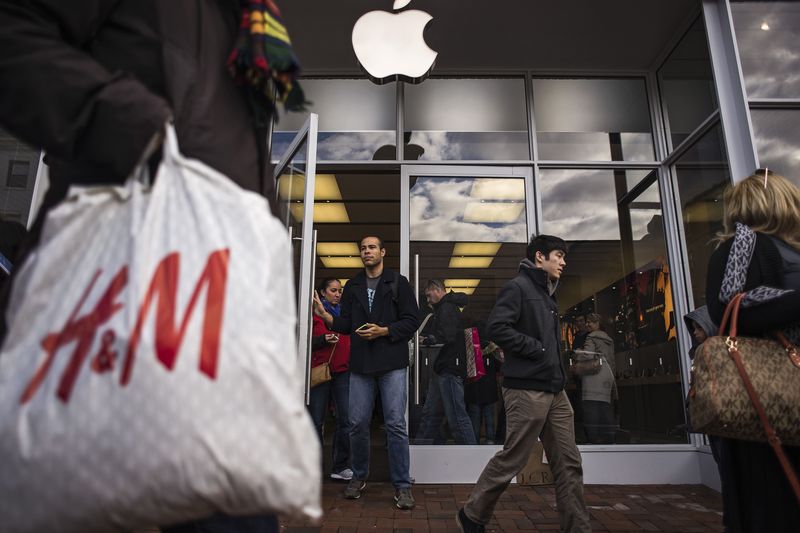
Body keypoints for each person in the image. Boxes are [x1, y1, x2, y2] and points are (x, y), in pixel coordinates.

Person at [0, 2, 305, 531]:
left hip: (217, 298)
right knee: (79, 483)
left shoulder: (251, 17)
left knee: (234, 509)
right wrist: (113, 115)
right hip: (120, 274)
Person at [0, 0, 306, 344]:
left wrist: (268, 238)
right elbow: (13, 31)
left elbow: (234, 152)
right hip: (106, 280)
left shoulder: (250, 25)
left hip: (212, 299)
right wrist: (129, 125)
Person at [457, 234, 591, 533]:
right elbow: (497, 327)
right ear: (540, 257)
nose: (564, 261)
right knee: (512, 459)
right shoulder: (518, 287)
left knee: (569, 463)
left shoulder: (547, 294)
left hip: (555, 390)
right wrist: (537, 349)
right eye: (559, 255)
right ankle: (472, 514)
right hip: (526, 389)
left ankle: (578, 528)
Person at [704, 170, 800, 532]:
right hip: (769, 389)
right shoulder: (743, 245)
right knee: (771, 501)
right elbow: (729, 306)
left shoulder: (788, 248)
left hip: (783, 387)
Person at [312, 235, 421, 509]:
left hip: (391, 364)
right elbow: (346, 323)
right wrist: (327, 317)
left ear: (382, 252)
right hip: (360, 365)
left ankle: (402, 485)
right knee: (357, 423)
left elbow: (412, 320)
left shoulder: (398, 282)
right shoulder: (353, 286)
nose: (367, 251)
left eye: (372, 247)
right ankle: (358, 477)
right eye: (363, 248)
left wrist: (385, 330)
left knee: (396, 424)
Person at [415, 279, 476, 445]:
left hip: (449, 368)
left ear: (437, 290)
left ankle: (471, 457)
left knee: (456, 418)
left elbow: (447, 336)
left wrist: (428, 339)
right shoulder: (447, 307)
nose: (428, 300)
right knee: (431, 415)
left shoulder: (446, 308)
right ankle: (420, 451)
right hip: (444, 368)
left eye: (429, 295)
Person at [309, 278, 353, 481]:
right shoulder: (314, 313)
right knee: (316, 421)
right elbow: (304, 340)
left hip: (343, 371)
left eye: (340, 290)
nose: (338, 294)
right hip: (320, 371)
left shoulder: (345, 314)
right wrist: (322, 339)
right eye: (333, 290)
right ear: (322, 293)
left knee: (345, 419)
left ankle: (340, 466)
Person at [576, 312, 616, 444]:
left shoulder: (591, 337)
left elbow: (587, 356)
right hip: (607, 376)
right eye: (587, 321)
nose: (587, 324)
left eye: (591, 322)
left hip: (594, 377)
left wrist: (578, 353)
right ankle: (610, 438)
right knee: (605, 408)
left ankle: (593, 440)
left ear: (597, 324)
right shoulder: (608, 339)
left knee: (591, 408)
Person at [465, 341, 499, 445]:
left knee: (475, 419)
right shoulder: (493, 353)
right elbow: (499, 368)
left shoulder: (470, 353)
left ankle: (474, 443)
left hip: (474, 392)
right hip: (490, 391)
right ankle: (490, 440)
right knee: (489, 418)